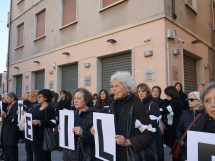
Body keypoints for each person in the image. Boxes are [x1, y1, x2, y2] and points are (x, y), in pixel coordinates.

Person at [109, 71, 156, 161]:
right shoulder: (112, 105)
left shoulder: (137, 104)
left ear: (127, 87)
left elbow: (149, 134)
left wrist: (128, 141)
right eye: (112, 86)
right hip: (113, 154)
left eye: (117, 86)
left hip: (130, 156)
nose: (113, 89)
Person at [62, 88, 100, 161]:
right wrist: (62, 129)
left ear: (86, 100)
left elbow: (99, 139)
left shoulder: (95, 115)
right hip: (69, 156)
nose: (75, 101)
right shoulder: (72, 114)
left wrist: (83, 132)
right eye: (75, 98)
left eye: (79, 98)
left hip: (85, 156)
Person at [176, 91, 205, 161]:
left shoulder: (205, 114)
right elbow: (178, 129)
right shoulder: (185, 113)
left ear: (199, 101)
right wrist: (182, 141)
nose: (189, 101)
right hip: (186, 147)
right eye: (188, 99)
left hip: (202, 146)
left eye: (191, 99)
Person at [31, 89, 56, 161]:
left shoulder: (50, 109)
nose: (37, 98)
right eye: (37, 96)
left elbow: (53, 123)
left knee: (44, 158)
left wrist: (40, 122)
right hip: (36, 138)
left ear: (45, 98)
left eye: (40, 96)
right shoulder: (37, 107)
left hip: (44, 139)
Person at [163, 86, 184, 155]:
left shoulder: (175, 101)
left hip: (175, 125)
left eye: (166, 94)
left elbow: (166, 110)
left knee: (174, 145)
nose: (166, 95)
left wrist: (158, 109)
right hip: (173, 124)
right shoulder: (173, 101)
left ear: (170, 93)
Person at [2, 92, 19, 161]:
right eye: (5, 98)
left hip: (12, 130)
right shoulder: (8, 104)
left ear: (13, 98)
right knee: (6, 147)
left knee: (11, 148)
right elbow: (2, 106)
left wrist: (6, 116)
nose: (6, 99)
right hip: (6, 129)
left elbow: (14, 118)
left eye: (7, 98)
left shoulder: (17, 105)